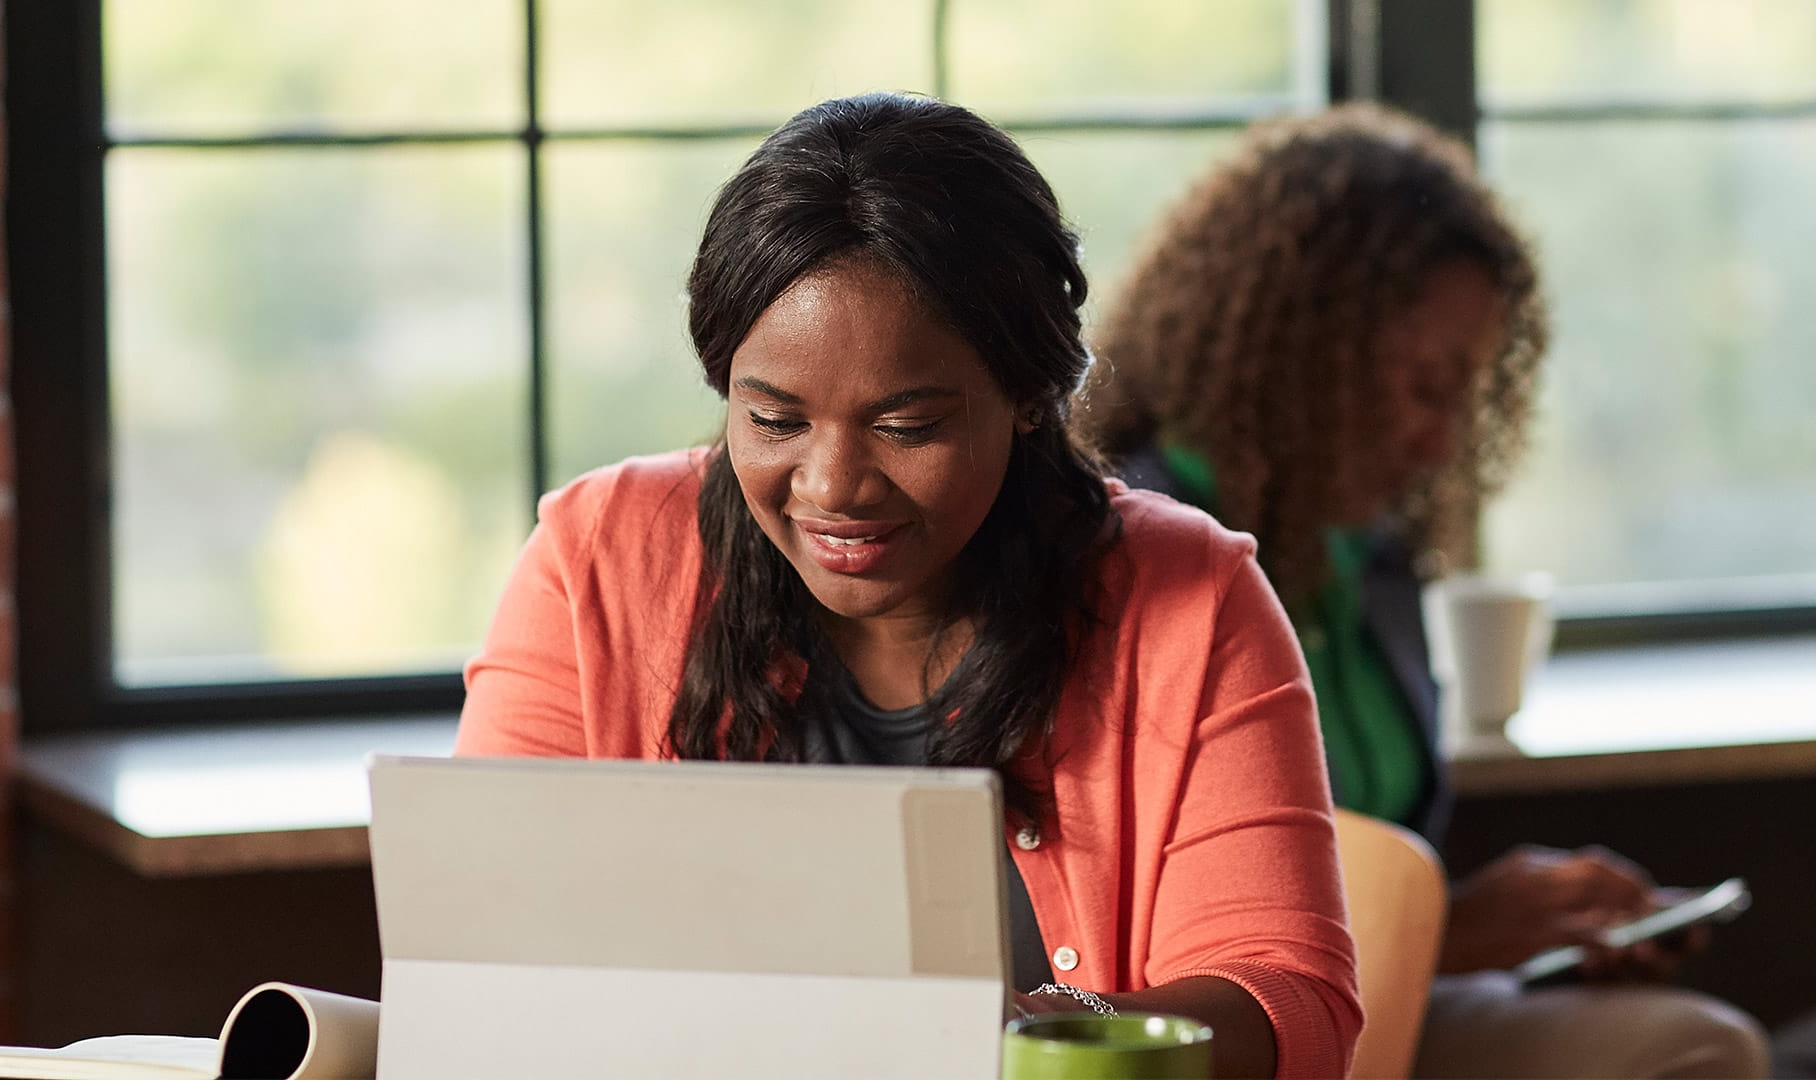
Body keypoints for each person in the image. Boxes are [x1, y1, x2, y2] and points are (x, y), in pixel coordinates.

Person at [456, 92, 1360, 1078]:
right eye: (775, 421)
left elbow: (1290, 1004)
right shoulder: (592, 563)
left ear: (1025, 397)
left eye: (906, 426)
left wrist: (1028, 1043)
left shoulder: (1192, 599)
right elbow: (476, 972)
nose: (834, 488)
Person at [1082, 102, 1770, 1079]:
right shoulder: (1143, 562)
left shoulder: (1374, 564)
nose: (1445, 444)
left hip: (1396, 1003)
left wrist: (1523, 926)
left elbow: (1371, 865)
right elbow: (1150, 955)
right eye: (1422, 386)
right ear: (1301, 356)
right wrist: (1454, 929)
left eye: (1467, 395)